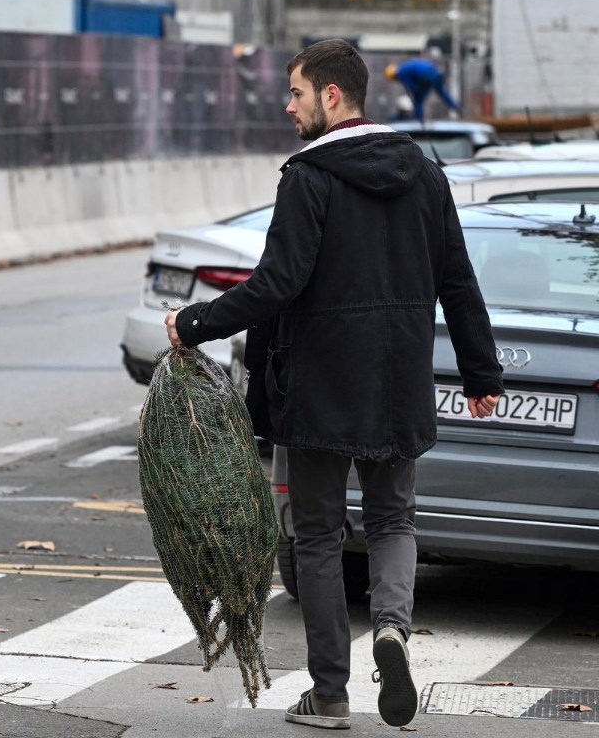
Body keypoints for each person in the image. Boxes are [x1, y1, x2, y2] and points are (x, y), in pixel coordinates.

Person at [164, 39, 503, 729]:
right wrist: (481, 372)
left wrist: (192, 322)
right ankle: (391, 630)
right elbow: (458, 282)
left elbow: (276, 285)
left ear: (332, 96)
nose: (287, 106)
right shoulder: (426, 175)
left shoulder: (308, 177)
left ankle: (330, 694)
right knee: (392, 520)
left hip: (317, 388)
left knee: (317, 536)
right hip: (399, 380)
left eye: (295, 93)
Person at [385, 58, 459, 120]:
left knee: (418, 100)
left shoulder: (401, 73)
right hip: (435, 72)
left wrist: (413, 97)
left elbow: (411, 87)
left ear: (394, 76)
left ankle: (418, 119)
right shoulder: (405, 67)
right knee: (442, 92)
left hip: (425, 77)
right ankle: (455, 106)